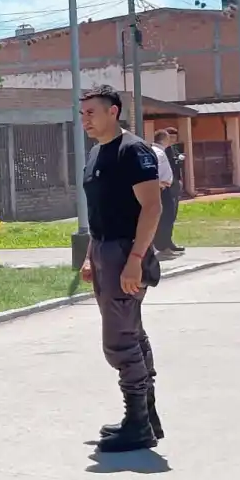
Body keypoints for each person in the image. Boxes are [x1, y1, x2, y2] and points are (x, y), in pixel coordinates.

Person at [78, 86, 164, 453]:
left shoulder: (134, 151)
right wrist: (88, 256)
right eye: (82, 113)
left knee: (120, 341)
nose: (85, 119)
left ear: (113, 111)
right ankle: (146, 416)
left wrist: (135, 260)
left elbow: (152, 208)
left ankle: (138, 426)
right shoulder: (98, 153)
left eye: (91, 112)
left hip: (124, 252)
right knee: (134, 334)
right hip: (103, 250)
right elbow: (99, 213)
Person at [150, 132, 178, 257]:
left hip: (164, 187)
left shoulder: (160, 151)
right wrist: (157, 183)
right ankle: (161, 246)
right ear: (164, 139)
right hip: (161, 189)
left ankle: (164, 245)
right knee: (166, 217)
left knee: (167, 216)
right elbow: (154, 169)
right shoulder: (158, 152)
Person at [162, 127, 186, 254]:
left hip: (175, 183)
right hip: (168, 185)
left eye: (175, 138)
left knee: (173, 214)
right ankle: (164, 244)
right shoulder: (163, 151)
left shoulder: (173, 149)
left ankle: (169, 241)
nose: (173, 140)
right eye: (171, 137)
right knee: (167, 215)